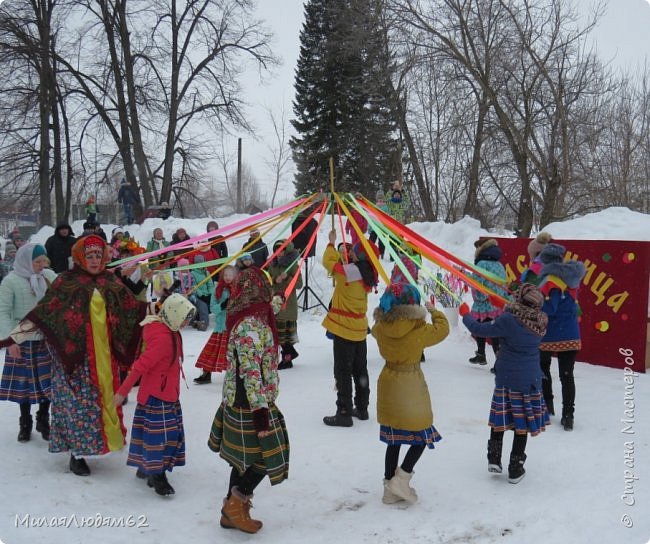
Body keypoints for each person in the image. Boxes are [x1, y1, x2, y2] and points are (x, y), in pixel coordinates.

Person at [0, 235, 146, 476]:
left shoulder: (110, 281)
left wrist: (157, 309)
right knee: (78, 405)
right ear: (79, 256)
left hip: (104, 357)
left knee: (102, 402)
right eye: (89, 255)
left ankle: (104, 441)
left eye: (98, 255)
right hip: (76, 358)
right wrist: (11, 337)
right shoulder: (65, 282)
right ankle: (77, 454)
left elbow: (131, 307)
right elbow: (43, 314)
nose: (94, 260)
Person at [208, 266, 290, 534]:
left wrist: (278, 296)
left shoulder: (251, 315)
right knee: (267, 457)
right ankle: (235, 505)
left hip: (245, 401)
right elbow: (251, 372)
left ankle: (231, 511)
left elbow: (269, 310)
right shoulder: (250, 326)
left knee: (240, 460)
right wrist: (261, 414)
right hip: (251, 404)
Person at [460, 283, 550, 484]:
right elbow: (515, 315)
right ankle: (515, 468)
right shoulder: (541, 320)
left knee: (499, 418)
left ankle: (494, 459)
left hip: (507, 378)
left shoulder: (510, 319)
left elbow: (479, 329)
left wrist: (466, 314)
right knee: (522, 424)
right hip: (529, 380)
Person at [371, 282, 449, 504]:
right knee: (422, 436)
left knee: (393, 440)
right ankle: (401, 479)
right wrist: (433, 311)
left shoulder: (379, 328)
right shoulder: (419, 331)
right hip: (410, 386)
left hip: (388, 383)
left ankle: (388, 488)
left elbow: (376, 327)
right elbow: (443, 330)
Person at [113, 293, 196, 496]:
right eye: (184, 318)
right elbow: (139, 367)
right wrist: (122, 392)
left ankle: (145, 467)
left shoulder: (170, 329)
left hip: (165, 393)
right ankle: (157, 476)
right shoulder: (164, 339)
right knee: (161, 437)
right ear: (174, 315)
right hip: (157, 397)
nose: (186, 323)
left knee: (151, 433)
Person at [321, 230, 379, 427]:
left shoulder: (350, 271)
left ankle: (344, 413)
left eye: (355, 252)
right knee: (360, 369)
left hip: (344, 329)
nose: (351, 253)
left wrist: (331, 243)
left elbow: (328, 262)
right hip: (359, 329)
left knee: (343, 371)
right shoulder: (368, 273)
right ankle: (362, 409)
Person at [0, 244, 57, 442]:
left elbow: (65, 296)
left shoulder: (49, 276)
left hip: (45, 339)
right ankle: (25, 422)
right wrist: (9, 341)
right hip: (21, 340)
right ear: (26, 261)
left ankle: (44, 417)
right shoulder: (11, 281)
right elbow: (3, 312)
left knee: (47, 383)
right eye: (37, 262)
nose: (42, 265)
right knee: (23, 385)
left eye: (44, 261)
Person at [537, 243, 586, 430]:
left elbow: (551, 308)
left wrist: (534, 305)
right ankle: (568, 414)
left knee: (543, 370)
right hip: (570, 333)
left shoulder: (551, 279)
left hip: (550, 334)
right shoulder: (571, 277)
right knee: (567, 376)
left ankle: (547, 406)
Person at [468, 238, 507, 372]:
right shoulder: (499, 264)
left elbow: (478, 284)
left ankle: (489, 358)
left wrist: (480, 297)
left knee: (481, 328)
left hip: (484, 304)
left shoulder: (482, 264)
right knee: (494, 331)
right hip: (497, 304)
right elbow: (503, 283)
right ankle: (484, 356)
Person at [194, 265, 238, 384]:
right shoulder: (217, 289)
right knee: (212, 351)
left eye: (230, 275)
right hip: (221, 326)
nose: (228, 277)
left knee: (235, 353)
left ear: (235, 276)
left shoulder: (238, 289)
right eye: (225, 275)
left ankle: (238, 375)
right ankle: (206, 373)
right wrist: (222, 305)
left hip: (234, 327)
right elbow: (213, 308)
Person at [268, 240, 303, 369]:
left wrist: (287, 278)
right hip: (275, 304)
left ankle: (288, 357)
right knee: (279, 334)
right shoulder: (272, 265)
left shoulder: (293, 265)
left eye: (281, 250)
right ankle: (288, 357)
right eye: (276, 250)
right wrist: (273, 280)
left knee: (284, 335)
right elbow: (267, 281)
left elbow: (299, 284)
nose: (279, 253)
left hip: (288, 304)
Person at [190, 254, 214, 331]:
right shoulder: (192, 273)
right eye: (198, 263)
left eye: (202, 263)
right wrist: (201, 295)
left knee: (214, 302)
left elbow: (210, 284)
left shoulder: (206, 273)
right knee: (203, 306)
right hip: (197, 295)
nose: (201, 265)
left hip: (207, 294)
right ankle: (204, 323)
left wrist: (210, 294)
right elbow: (194, 286)